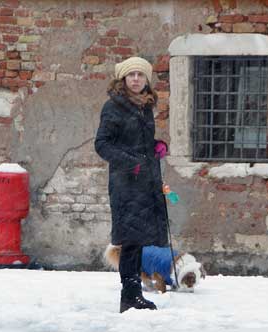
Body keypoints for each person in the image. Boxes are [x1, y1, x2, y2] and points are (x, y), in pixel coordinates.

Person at [94, 56, 169, 313]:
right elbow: (102, 145)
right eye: (131, 75)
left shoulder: (144, 106)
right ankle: (129, 296)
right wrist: (131, 164)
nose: (136, 79)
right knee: (130, 241)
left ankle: (134, 294)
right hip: (125, 184)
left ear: (146, 79)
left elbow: (137, 143)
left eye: (140, 75)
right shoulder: (113, 107)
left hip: (145, 183)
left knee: (138, 240)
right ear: (123, 79)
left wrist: (155, 147)